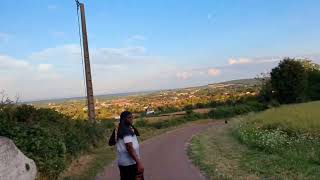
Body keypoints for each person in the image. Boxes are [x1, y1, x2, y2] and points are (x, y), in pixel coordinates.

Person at [109, 111, 144, 180]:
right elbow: (129, 147)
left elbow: (111, 142)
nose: (131, 119)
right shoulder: (126, 131)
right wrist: (139, 162)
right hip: (130, 164)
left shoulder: (119, 129)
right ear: (123, 119)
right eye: (129, 117)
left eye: (132, 117)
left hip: (123, 163)